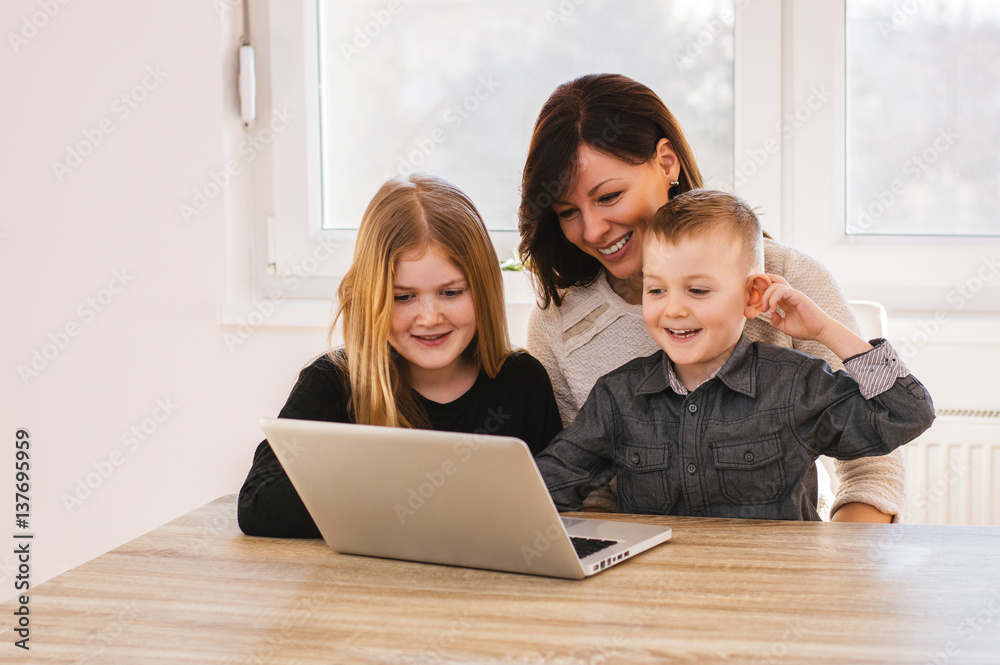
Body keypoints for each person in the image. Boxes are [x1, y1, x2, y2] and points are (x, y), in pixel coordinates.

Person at [519, 73, 905, 522]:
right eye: (567, 212)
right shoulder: (559, 324)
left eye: (609, 196)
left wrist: (826, 574)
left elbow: (873, 467)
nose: (592, 230)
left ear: (666, 163)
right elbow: (587, 487)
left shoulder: (786, 279)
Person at [535, 189, 934, 519]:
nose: (673, 309)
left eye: (698, 290)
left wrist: (825, 329)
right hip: (661, 597)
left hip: (777, 595)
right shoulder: (616, 397)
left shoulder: (794, 386)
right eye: (657, 290)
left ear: (752, 296)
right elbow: (548, 487)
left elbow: (905, 413)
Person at [238, 174, 563, 538]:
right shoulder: (333, 382)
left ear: (483, 289)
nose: (429, 317)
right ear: (373, 297)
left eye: (451, 292)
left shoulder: (523, 382)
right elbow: (258, 503)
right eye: (403, 297)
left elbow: (557, 505)